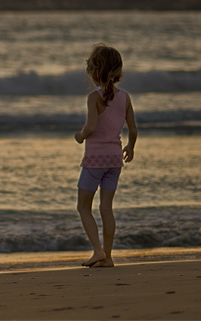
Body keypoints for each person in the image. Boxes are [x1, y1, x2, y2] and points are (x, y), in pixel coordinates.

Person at [74, 44, 138, 268]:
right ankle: (108, 256)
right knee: (106, 208)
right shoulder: (125, 97)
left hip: (95, 160)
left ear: (94, 72)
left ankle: (98, 251)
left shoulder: (94, 98)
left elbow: (90, 128)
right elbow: (133, 129)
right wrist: (130, 147)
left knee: (83, 207)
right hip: (115, 159)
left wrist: (80, 136)